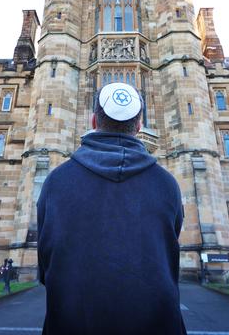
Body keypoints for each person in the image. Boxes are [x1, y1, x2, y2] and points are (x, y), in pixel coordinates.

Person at [37, 82, 186, 335]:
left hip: (73, 322)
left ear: (93, 121)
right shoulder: (167, 183)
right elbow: (169, 249)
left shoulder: (57, 181)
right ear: (139, 126)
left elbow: (46, 262)